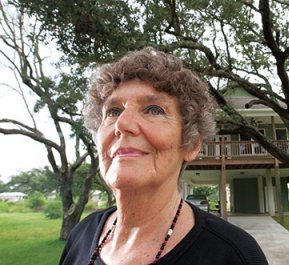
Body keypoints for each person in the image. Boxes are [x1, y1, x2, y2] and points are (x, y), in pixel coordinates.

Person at [59, 47, 268, 265]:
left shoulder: (235, 255)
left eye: (153, 109)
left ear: (192, 144)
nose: (123, 123)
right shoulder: (80, 236)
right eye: (113, 112)